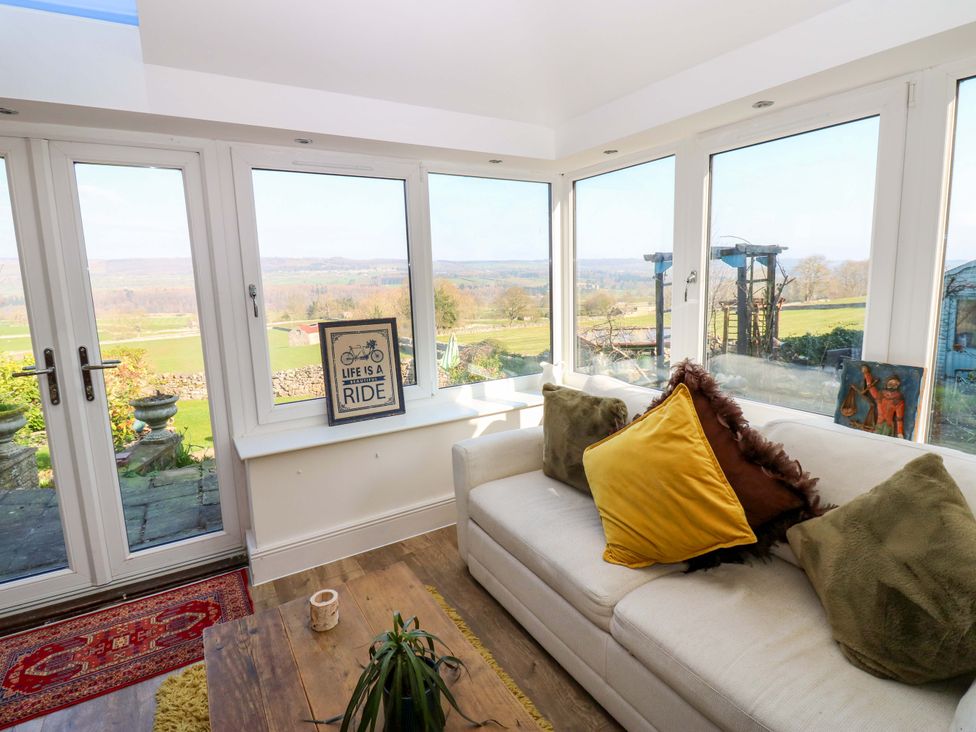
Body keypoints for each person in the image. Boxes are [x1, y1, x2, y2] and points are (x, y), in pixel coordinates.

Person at [861, 364, 906, 438]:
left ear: (898, 386)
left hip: (888, 426)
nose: (893, 385)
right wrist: (866, 374)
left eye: (895, 384)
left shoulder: (899, 399)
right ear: (887, 383)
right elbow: (870, 387)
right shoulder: (880, 395)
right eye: (891, 383)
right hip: (879, 424)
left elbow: (899, 418)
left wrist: (900, 432)